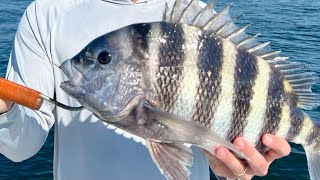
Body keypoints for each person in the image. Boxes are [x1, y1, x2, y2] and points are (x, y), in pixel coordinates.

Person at [0, 0, 290, 179]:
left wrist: (233, 169)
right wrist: (5, 109)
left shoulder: (201, 20)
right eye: (105, 59)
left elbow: (221, 143)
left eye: (104, 60)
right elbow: (19, 146)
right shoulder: (47, 14)